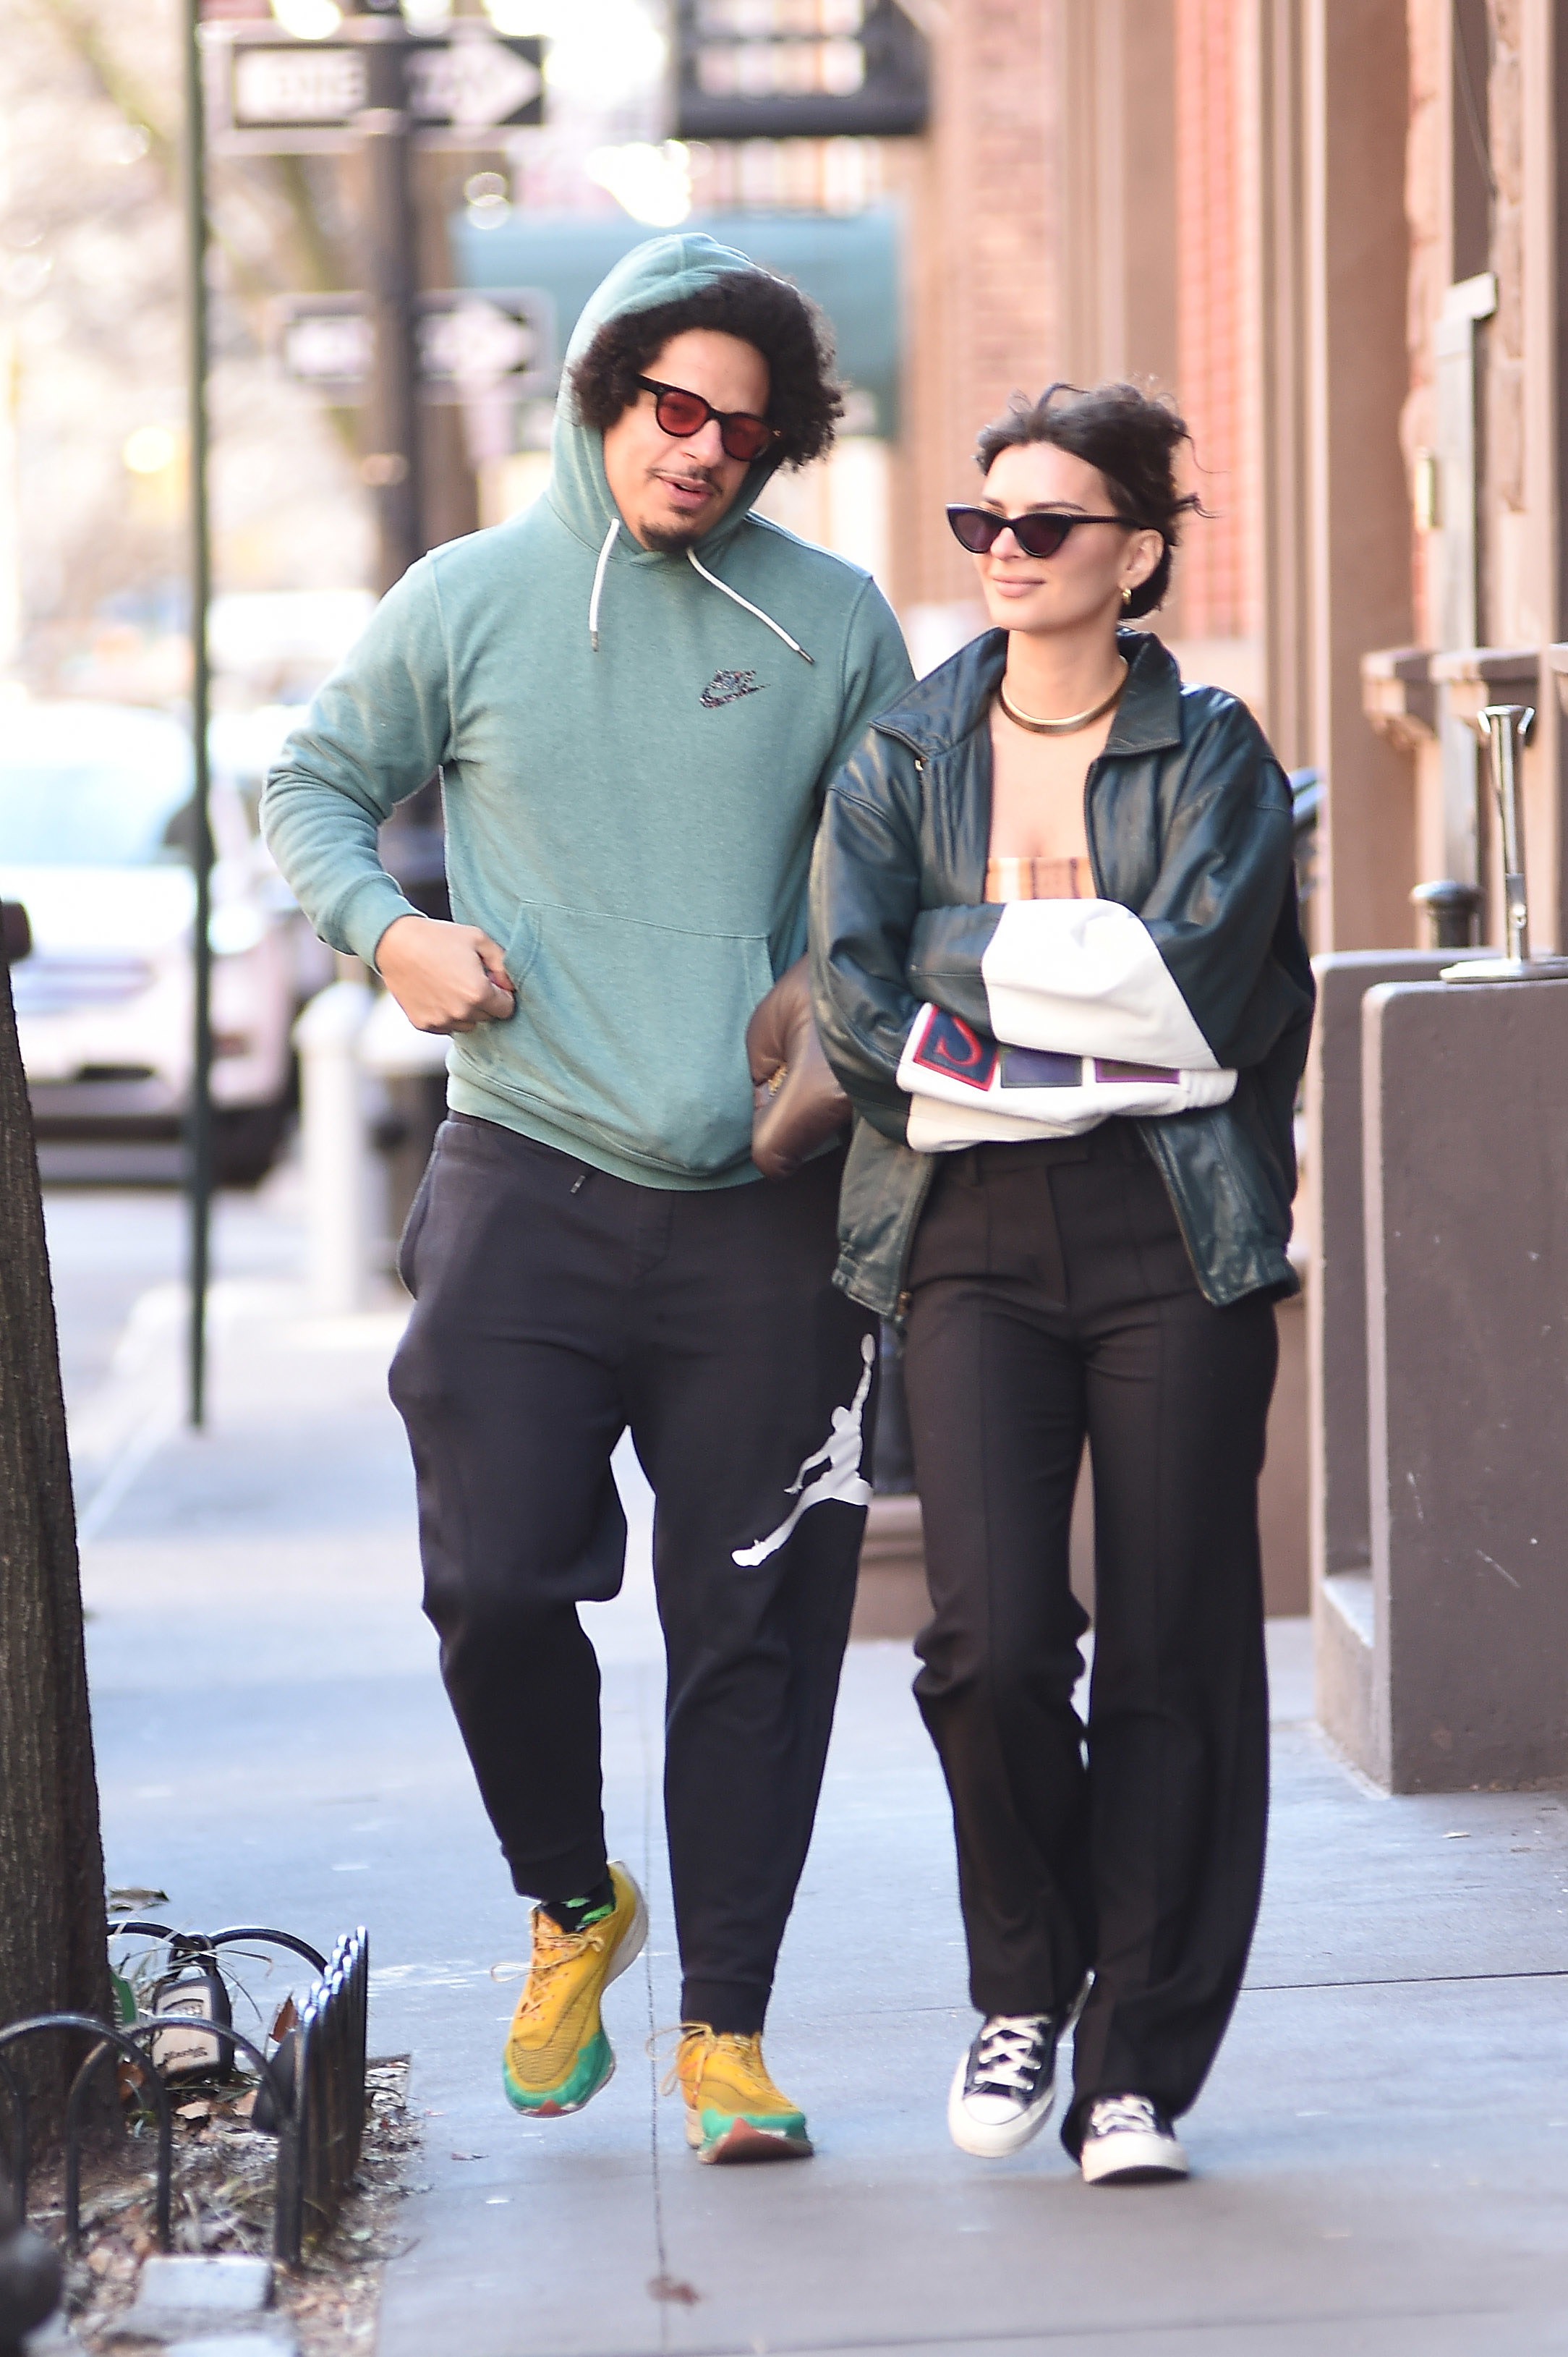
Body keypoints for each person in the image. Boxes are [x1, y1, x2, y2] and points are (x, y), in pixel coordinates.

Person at [262, 234, 912, 2164]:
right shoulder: (469, 599)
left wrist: (837, 1016)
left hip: (760, 1212)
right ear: (605, 395)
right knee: (492, 1584)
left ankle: (727, 2029)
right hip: (521, 1176)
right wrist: (392, 934)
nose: (701, 448)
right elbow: (306, 786)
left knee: (759, 1631)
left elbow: (897, 871)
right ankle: (571, 1902)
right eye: (671, 405)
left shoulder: (831, 619)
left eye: (745, 424)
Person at [811, 381, 1313, 2183]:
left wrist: (984, 982)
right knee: (992, 1642)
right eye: (983, 526)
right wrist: (1072, 976)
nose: (1004, 557)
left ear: (1140, 554)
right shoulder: (900, 756)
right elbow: (866, 1013)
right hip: (962, 1239)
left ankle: (1135, 2067)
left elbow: (1200, 1003)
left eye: (1046, 528)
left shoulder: (1219, 751)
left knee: (1181, 1641)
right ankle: (1021, 1984)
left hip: (1169, 1225)